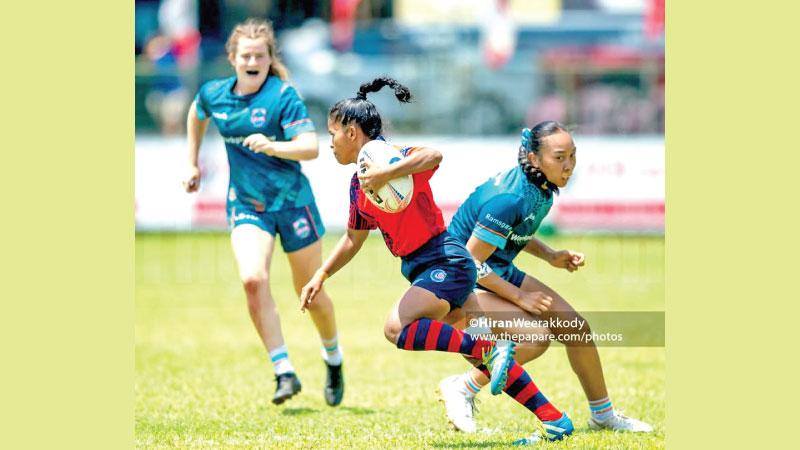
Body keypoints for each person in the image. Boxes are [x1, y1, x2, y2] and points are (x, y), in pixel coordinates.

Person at [300, 78, 574, 444]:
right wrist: (321, 274)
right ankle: (554, 419)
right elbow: (353, 239)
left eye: (332, 132)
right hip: (424, 267)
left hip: (445, 259)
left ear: (351, 133)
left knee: (397, 329)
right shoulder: (357, 185)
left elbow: (434, 156)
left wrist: (388, 172)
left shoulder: (395, 156)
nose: (329, 142)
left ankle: (489, 350)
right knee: (484, 358)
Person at [437, 121, 654, 433]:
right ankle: (462, 387)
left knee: (576, 328)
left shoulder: (541, 188)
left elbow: (511, 234)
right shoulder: (510, 197)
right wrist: (520, 297)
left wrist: (551, 255)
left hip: (495, 269)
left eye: (573, 156)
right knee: (534, 337)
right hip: (459, 282)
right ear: (535, 158)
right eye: (560, 157)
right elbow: (471, 260)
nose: (568, 166)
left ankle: (603, 416)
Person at [182, 18, 344, 406]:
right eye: (245, 55)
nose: (252, 61)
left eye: (260, 55)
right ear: (233, 60)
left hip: (293, 205)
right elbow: (196, 113)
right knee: (253, 279)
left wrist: (273, 146)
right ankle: (284, 371)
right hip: (247, 205)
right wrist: (192, 163)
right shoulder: (215, 94)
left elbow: (309, 146)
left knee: (310, 292)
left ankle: (333, 357)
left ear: (270, 59)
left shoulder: (282, 96)